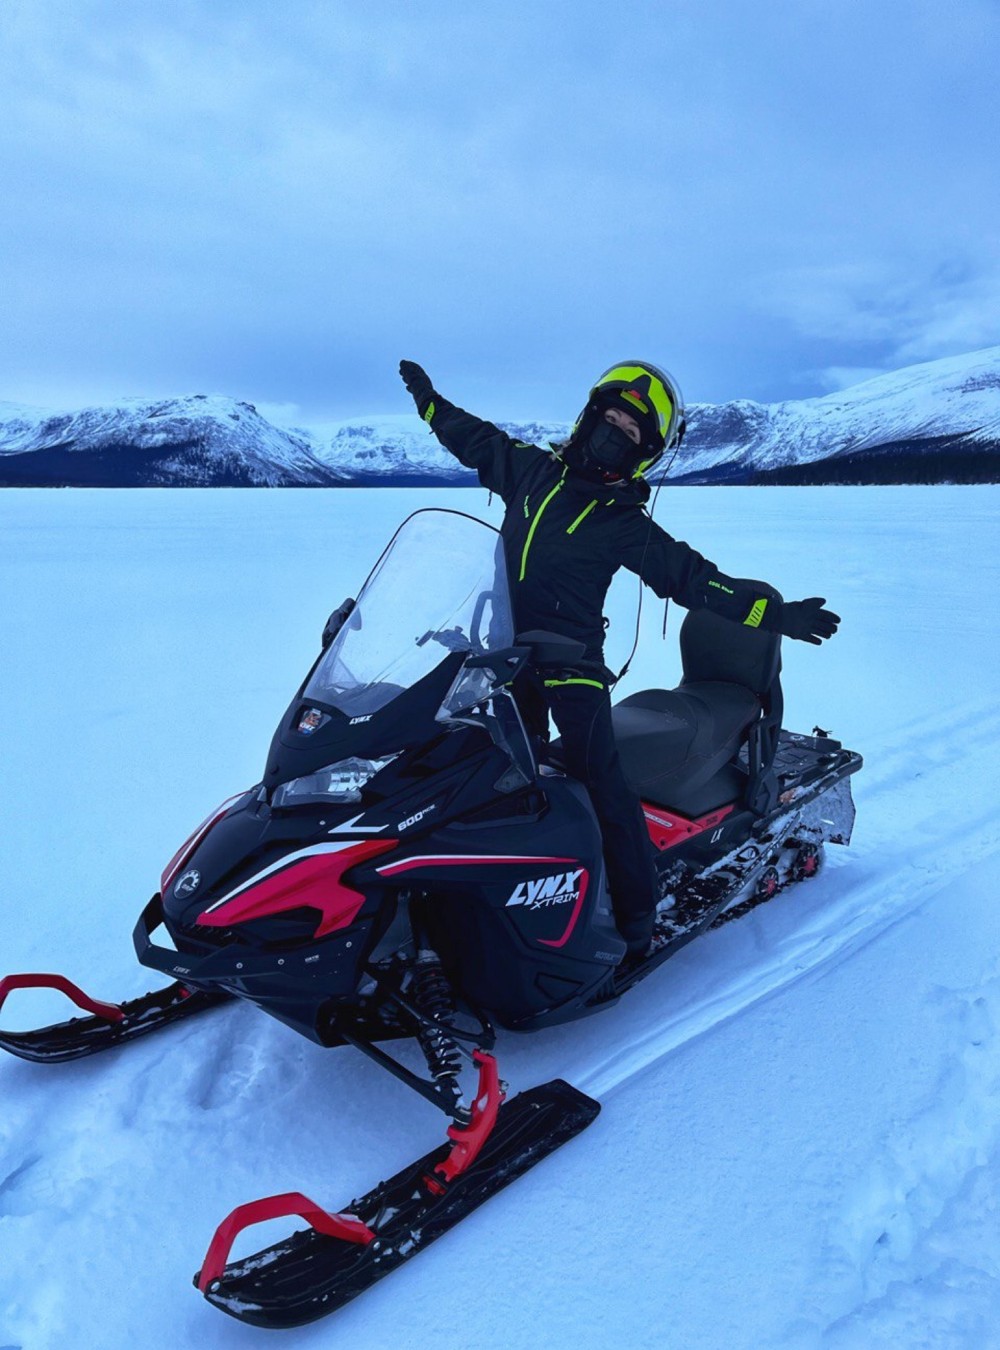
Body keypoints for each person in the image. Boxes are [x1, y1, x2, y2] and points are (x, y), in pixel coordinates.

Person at [398, 358, 839, 958]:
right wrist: (429, 401)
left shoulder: (622, 522)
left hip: (571, 662)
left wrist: (773, 615)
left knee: (596, 776)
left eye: (632, 433)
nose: (615, 432)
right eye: (611, 418)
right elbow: (472, 438)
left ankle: (635, 918)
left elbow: (694, 580)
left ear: (644, 454)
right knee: (484, 767)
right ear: (588, 415)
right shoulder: (529, 470)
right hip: (501, 651)